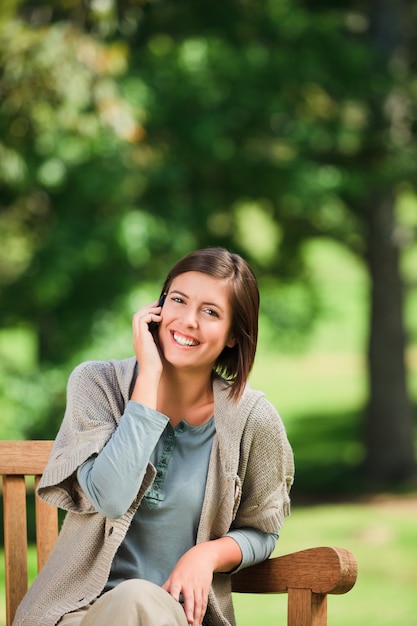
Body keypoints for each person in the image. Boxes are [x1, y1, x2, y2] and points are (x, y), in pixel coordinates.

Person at [14, 247, 294, 626]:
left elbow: (263, 530)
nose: (188, 320)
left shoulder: (252, 419)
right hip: (76, 616)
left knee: (140, 599)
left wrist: (206, 556)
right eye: (178, 300)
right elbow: (111, 498)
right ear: (157, 308)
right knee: (133, 597)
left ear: (232, 336)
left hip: (175, 617)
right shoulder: (97, 385)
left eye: (211, 312)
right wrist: (148, 380)